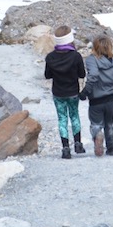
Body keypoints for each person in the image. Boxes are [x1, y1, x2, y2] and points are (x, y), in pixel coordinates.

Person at [43, 25, 86, 159]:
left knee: (62, 118)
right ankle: (78, 143)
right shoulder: (76, 56)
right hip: (73, 92)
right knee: (74, 116)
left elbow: (47, 75)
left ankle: (65, 148)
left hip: (58, 93)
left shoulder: (50, 57)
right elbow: (82, 74)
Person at [81, 35, 113, 156]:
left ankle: (98, 135)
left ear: (95, 47)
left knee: (96, 123)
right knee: (109, 123)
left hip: (96, 99)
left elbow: (93, 75)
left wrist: (85, 92)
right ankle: (111, 148)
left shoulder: (91, 60)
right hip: (111, 98)